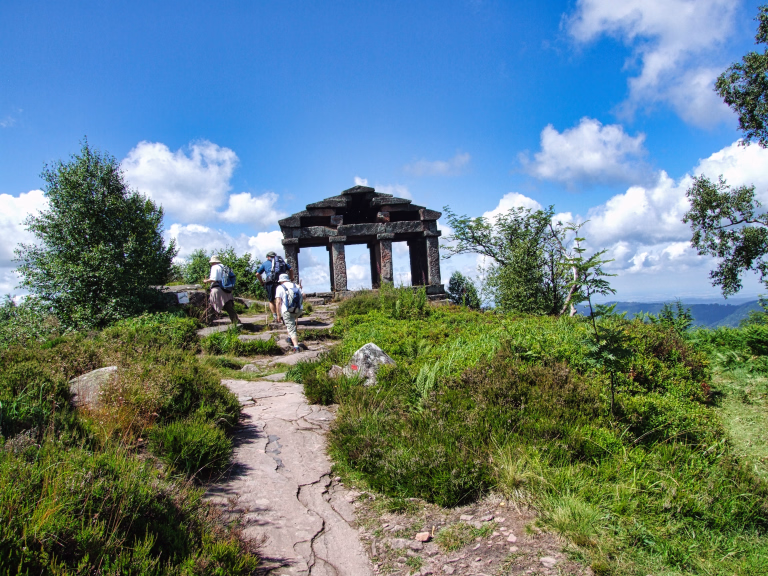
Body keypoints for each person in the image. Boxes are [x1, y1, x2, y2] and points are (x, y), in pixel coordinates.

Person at [256, 251, 293, 323]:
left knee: (271, 300)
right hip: (280, 281)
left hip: (270, 282)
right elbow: (291, 269)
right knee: (281, 298)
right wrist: (291, 278)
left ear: (268, 257)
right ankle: (283, 315)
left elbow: (257, 274)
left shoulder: (265, 263)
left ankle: (275, 316)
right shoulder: (281, 262)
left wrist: (261, 282)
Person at [203, 255, 240, 326]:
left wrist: (206, 281)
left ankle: (207, 321)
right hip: (226, 289)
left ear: (213, 262)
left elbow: (214, 279)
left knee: (212, 304)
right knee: (228, 306)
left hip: (217, 288)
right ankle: (235, 321)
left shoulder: (214, 267)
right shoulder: (224, 267)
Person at [275, 273, 302, 354]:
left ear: (281, 281)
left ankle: (296, 347)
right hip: (298, 310)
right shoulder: (296, 286)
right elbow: (303, 296)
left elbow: (278, 302)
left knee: (291, 327)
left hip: (287, 310)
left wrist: (278, 315)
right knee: (291, 323)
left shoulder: (280, 287)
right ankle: (289, 338)